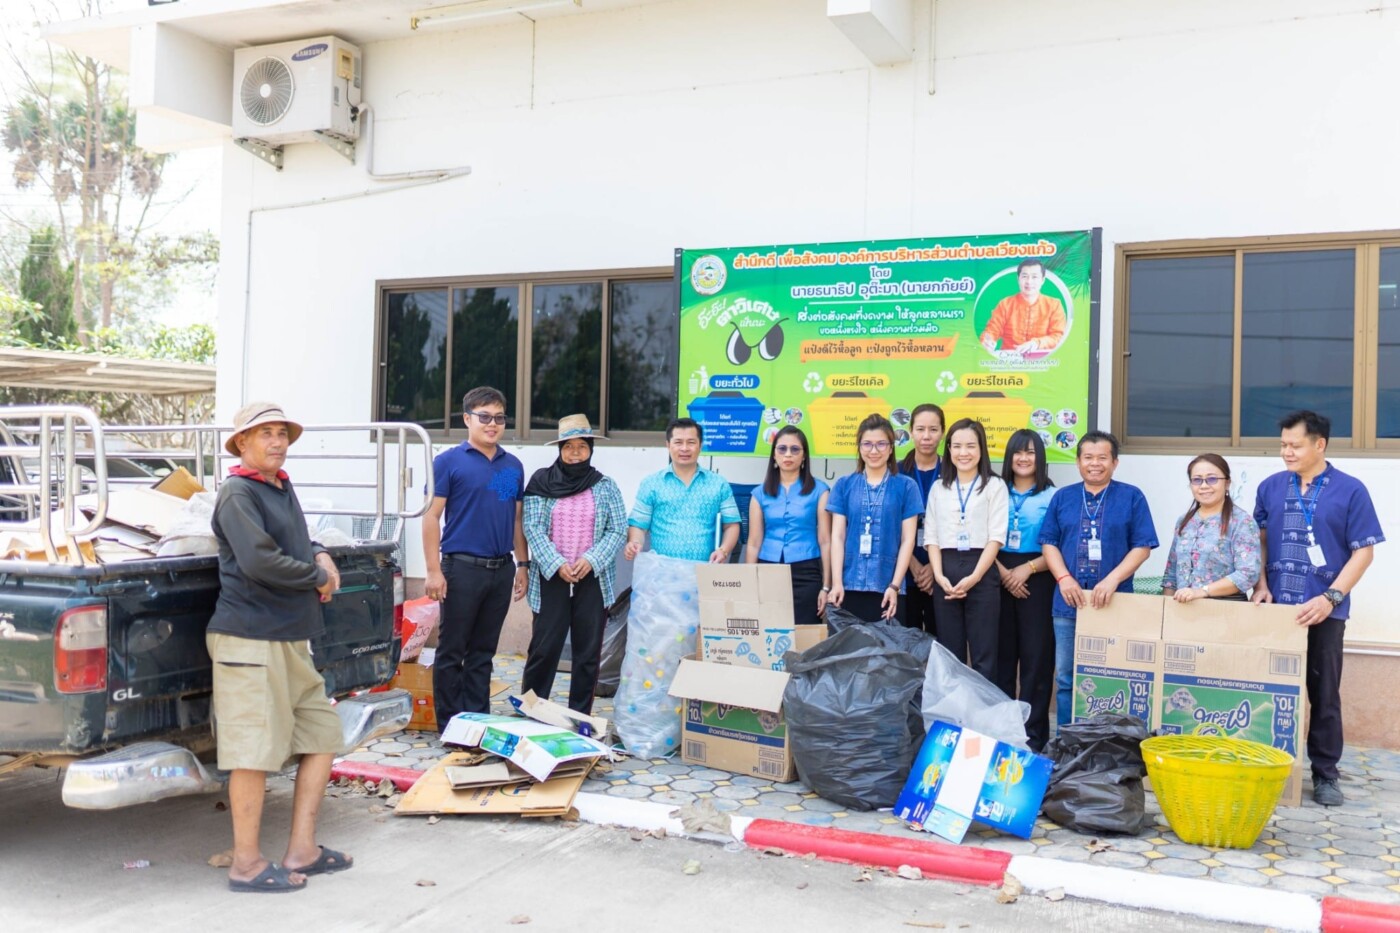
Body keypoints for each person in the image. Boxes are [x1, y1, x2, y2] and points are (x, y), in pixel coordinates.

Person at [208, 402, 351, 893]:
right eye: (264, 433)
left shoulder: (280, 486)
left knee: (322, 735)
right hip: (249, 638)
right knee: (251, 752)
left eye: (281, 433)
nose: (276, 441)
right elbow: (260, 561)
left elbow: (299, 541)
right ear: (242, 444)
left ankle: (302, 850)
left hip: (291, 636)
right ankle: (246, 864)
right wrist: (318, 577)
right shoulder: (237, 492)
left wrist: (321, 554)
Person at [1252, 411, 1384, 807]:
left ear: (1319, 444)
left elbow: (1364, 551)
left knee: (1323, 694)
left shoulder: (1350, 490)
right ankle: (1265, 767)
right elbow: (1257, 541)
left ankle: (1325, 773)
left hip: (1323, 611)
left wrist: (1331, 597)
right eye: (1282, 445)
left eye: (1294, 445)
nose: (1286, 452)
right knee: (1267, 692)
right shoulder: (1270, 487)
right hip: (1275, 610)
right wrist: (1260, 584)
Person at [422, 386, 529, 729]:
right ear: (467, 419)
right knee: (452, 651)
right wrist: (433, 571)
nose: (492, 424)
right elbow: (430, 517)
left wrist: (522, 565)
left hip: (500, 570)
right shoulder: (447, 462)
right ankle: (452, 726)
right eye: (484, 417)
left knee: (483, 653)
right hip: (460, 569)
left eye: (499, 418)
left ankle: (477, 722)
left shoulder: (512, 466)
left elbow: (516, 520)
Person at [1039, 431, 1158, 727]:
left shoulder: (1132, 496)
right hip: (1068, 603)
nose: (1095, 464)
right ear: (1078, 462)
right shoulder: (1062, 497)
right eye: (1088, 458)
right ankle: (1068, 741)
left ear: (1115, 463)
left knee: (1114, 675)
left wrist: (1112, 580)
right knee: (1066, 677)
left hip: (1116, 603)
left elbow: (1142, 547)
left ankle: (1109, 741)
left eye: (1102, 457)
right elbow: (1049, 543)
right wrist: (1064, 578)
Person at [520, 415, 627, 714]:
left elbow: (618, 530)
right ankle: (531, 710)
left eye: (582, 446)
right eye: (569, 446)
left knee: (588, 653)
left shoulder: (605, 486)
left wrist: (590, 561)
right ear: (560, 449)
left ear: (591, 448)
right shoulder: (541, 481)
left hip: (592, 577)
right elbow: (532, 527)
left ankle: (580, 716)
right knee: (544, 649)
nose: (576, 452)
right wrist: (556, 563)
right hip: (551, 577)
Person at [925, 418, 1008, 680]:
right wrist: (939, 577)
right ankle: (953, 717)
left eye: (970, 446)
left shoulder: (995, 486)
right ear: (948, 449)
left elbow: (995, 538)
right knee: (951, 654)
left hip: (981, 572)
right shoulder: (939, 487)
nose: (964, 453)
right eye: (957, 446)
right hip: (945, 572)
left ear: (981, 449)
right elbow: (932, 537)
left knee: (985, 654)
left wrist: (974, 578)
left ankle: (982, 719)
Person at [993, 429, 1057, 751]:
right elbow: (981, 536)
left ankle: (1033, 736)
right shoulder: (994, 490)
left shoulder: (1052, 495)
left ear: (1040, 458)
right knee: (1002, 659)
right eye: (1018, 452)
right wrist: (1005, 573)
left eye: (1031, 452)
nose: (1023, 458)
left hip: (1040, 577)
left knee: (1036, 659)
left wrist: (1027, 569)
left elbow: (1059, 546)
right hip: (996, 573)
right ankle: (1003, 732)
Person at [827, 414, 924, 622]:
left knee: (886, 652)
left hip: (888, 587)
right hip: (848, 584)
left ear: (891, 448)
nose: (874, 451)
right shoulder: (844, 485)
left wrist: (895, 585)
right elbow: (837, 537)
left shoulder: (907, 487)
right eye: (867, 444)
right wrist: (836, 583)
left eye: (881, 444)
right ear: (859, 447)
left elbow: (908, 540)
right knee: (850, 653)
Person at [744, 426, 831, 626]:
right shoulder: (759, 494)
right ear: (774, 455)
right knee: (770, 631)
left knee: (806, 634)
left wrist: (826, 587)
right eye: (782, 449)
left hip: (807, 571)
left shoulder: (820, 491)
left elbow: (826, 540)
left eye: (795, 449)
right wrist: (749, 585)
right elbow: (754, 542)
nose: (788, 454)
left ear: (804, 456)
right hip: (768, 570)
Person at [624, 417, 741, 562]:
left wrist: (723, 551)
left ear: (700, 445)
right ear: (668, 445)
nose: (684, 448)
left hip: (705, 570)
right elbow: (639, 526)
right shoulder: (651, 484)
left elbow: (731, 525)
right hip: (662, 573)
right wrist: (634, 543)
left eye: (691, 442)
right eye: (678, 442)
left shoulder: (718, 483)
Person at [1161, 454, 1260, 602]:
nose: (1204, 485)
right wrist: (1167, 609)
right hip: (1183, 612)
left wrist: (1202, 591)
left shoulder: (1241, 522)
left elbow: (1248, 574)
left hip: (1226, 611)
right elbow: (1171, 574)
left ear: (1227, 483)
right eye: (1197, 480)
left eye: (1212, 479)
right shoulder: (1184, 521)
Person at [899, 403, 945, 634]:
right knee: (906, 644)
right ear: (911, 431)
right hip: (904, 572)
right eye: (920, 429)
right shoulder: (896, 473)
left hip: (943, 572)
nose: (926, 436)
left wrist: (933, 569)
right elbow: (889, 524)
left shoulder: (953, 472)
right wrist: (914, 566)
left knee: (942, 642)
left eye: (933, 430)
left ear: (943, 433)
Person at [979, 258, 1068, 354]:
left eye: (1034, 277)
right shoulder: (1005, 304)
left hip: (1042, 362)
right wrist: (987, 340)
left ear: (1042, 280)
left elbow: (1058, 337)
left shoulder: (1054, 305)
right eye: (1024, 276)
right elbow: (992, 330)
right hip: (1008, 362)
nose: (1029, 282)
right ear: (1018, 279)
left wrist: (1036, 343)